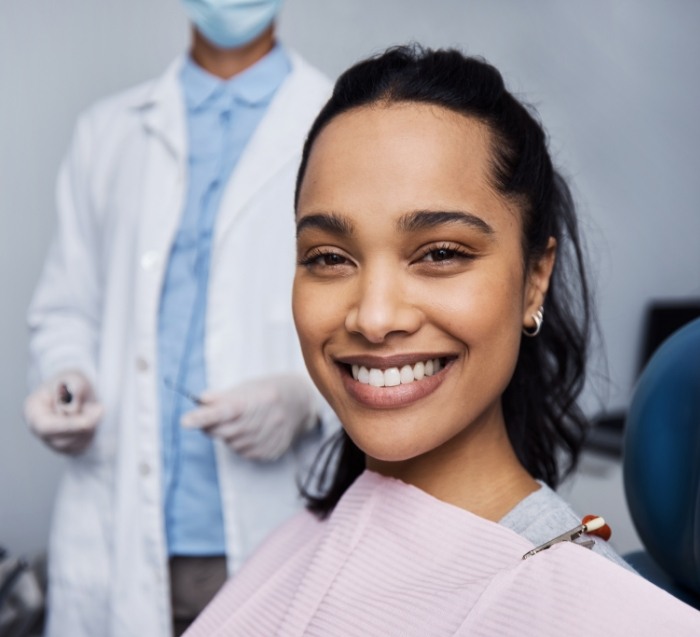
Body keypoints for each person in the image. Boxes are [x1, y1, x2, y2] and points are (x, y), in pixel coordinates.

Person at [184, 45, 700, 635]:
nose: (374, 319)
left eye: (441, 254)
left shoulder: (601, 615)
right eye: (329, 257)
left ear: (535, 278)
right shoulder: (297, 538)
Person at [22, 1, 336, 635]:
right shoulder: (108, 131)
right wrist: (67, 377)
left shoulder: (338, 124)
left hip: (266, 531)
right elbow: (66, 308)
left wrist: (310, 400)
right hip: (116, 531)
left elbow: (375, 312)